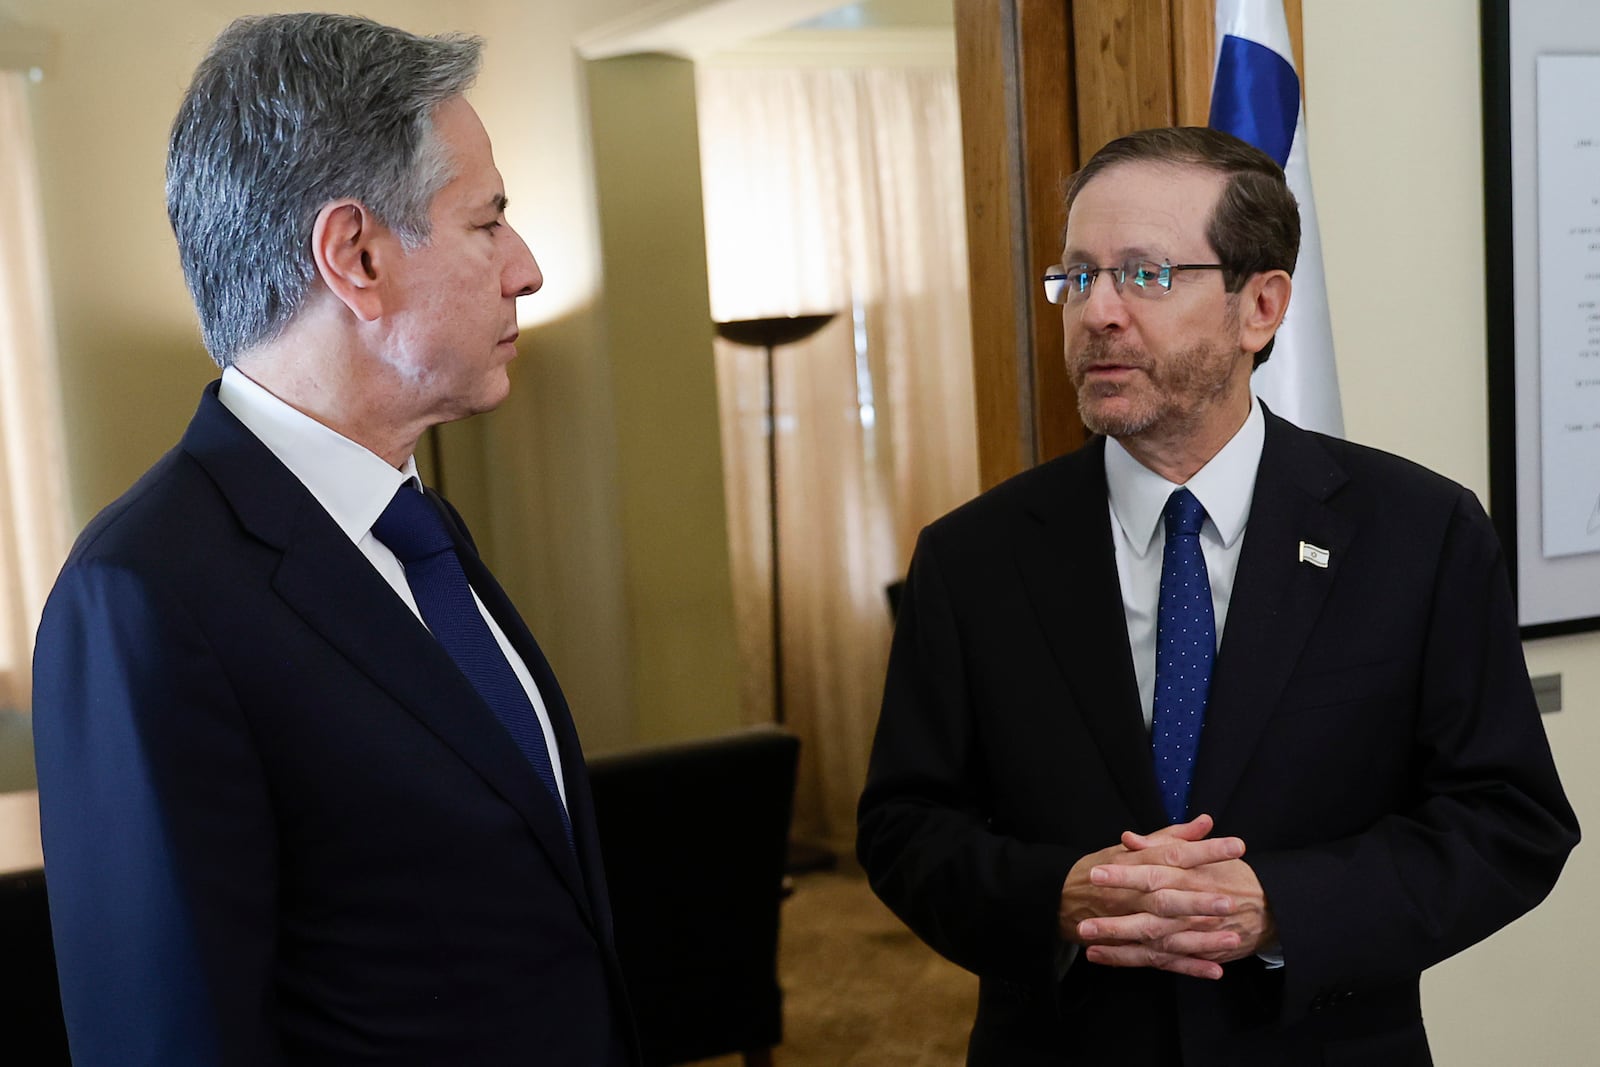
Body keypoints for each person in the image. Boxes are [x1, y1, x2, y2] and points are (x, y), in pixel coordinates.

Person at [856, 126, 1579, 1066]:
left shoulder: (1420, 534)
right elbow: (905, 826)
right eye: (1077, 278)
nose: (1097, 313)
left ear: (1261, 306)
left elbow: (1507, 817)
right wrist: (1059, 896)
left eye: (1144, 275)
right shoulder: (972, 556)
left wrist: (1282, 905)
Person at [32, 14, 635, 1065]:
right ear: (355, 254)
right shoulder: (143, 592)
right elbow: (165, 1039)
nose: (527, 268)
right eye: (489, 221)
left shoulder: (416, 525)